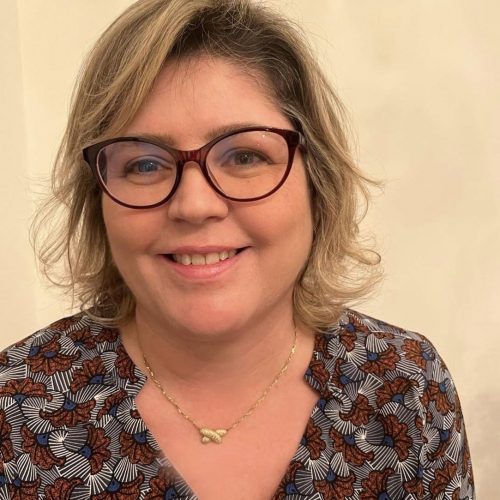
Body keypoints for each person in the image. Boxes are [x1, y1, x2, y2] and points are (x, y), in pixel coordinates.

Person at [0, 0, 474, 498]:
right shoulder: (14, 410)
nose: (194, 204)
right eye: (144, 165)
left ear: (318, 182)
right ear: (96, 199)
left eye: (245, 156)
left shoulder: (405, 386)